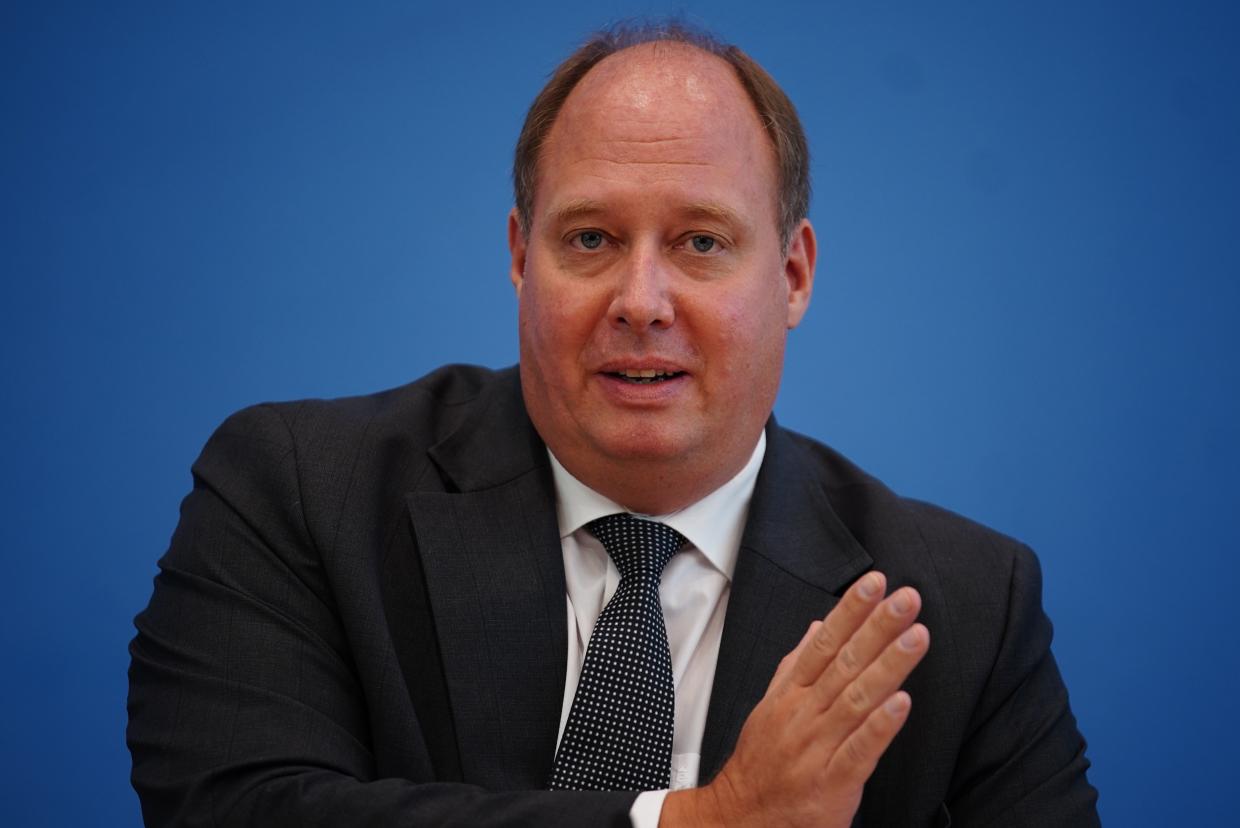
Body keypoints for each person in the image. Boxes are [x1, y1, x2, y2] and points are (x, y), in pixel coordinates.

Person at [127, 21, 1099, 827]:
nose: (641, 300)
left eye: (701, 243)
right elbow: (234, 810)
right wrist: (701, 823)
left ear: (793, 275)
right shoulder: (300, 493)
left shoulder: (964, 605)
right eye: (589, 239)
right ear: (520, 257)